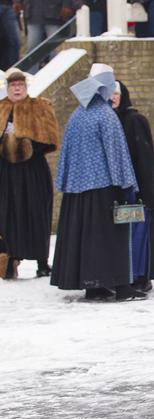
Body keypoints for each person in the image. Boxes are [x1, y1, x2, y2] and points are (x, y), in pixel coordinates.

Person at [51, 63, 146, 302]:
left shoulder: (77, 115)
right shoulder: (106, 115)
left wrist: (65, 182)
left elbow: (66, 155)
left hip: (76, 191)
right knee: (112, 237)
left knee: (87, 240)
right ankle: (122, 286)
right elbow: (117, 154)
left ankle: (93, 285)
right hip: (105, 188)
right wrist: (127, 184)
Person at [0, 68, 59, 280]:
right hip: (6, 172)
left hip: (32, 170)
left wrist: (27, 146)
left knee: (36, 212)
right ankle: (9, 260)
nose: (16, 89)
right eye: (13, 86)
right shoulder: (1, 108)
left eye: (20, 85)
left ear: (26, 87)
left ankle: (42, 261)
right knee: (7, 215)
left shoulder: (40, 107)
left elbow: (51, 137)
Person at [111, 80, 154, 291]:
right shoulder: (110, 119)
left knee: (144, 235)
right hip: (123, 189)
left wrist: (144, 189)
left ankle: (144, 276)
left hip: (140, 188)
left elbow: (144, 158)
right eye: (110, 93)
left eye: (117, 93)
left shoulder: (134, 120)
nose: (113, 97)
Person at [13, 0, 83, 73]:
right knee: (32, 50)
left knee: (55, 50)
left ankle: (56, 75)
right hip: (33, 13)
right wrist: (17, 2)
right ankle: (29, 77)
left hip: (55, 13)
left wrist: (67, 5)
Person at [0, 0, 20, 70]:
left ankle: (12, 72)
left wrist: (17, 2)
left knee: (13, 42)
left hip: (8, 6)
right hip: (7, 7)